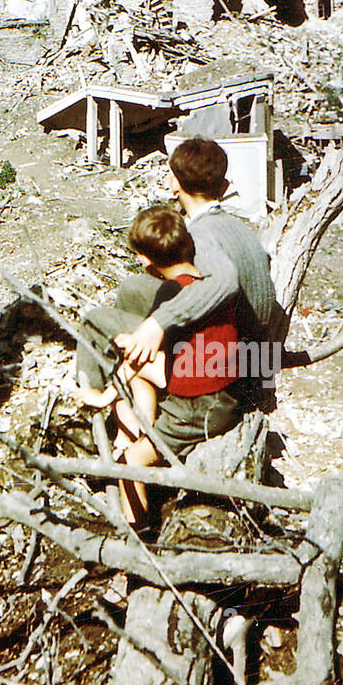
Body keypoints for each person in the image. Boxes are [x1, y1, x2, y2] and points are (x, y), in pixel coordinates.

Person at [76, 204, 241, 524]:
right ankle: (139, 431)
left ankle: (139, 535)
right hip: (223, 389)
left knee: (130, 463)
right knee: (139, 372)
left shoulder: (169, 293)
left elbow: (139, 359)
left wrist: (103, 397)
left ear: (146, 261)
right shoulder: (206, 285)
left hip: (198, 409)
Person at [118, 137, 284, 408]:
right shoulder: (236, 227)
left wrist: (159, 322)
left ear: (174, 184)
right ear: (224, 187)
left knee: (132, 292)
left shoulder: (201, 235)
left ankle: (142, 396)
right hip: (256, 346)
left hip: (230, 360)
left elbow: (225, 280)